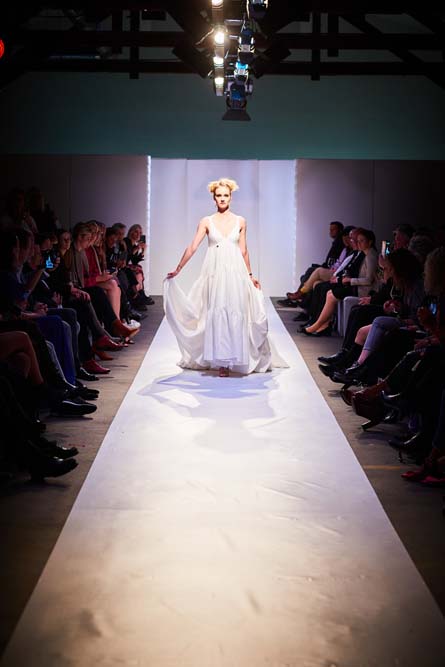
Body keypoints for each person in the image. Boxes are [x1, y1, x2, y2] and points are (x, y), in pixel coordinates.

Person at [164, 178, 286, 377]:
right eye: (219, 195)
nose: (222, 198)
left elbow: (244, 250)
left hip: (236, 272)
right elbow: (193, 246)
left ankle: (234, 357)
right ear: (214, 198)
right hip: (214, 272)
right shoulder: (206, 221)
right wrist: (178, 268)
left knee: (235, 310)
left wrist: (250, 276)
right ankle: (222, 361)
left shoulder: (240, 221)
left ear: (231, 197)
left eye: (226, 195)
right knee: (217, 310)